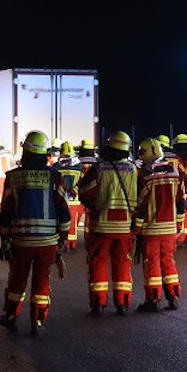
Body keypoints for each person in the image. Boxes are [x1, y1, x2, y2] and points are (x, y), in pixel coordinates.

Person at [0, 130, 71, 336]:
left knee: (17, 279)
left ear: (25, 152)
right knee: (42, 280)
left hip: (20, 241)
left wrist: (5, 240)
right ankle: (38, 321)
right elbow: (63, 211)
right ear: (44, 153)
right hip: (47, 242)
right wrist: (63, 239)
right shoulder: (54, 177)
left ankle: (11, 315)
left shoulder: (13, 177)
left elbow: (6, 212)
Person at [77, 131, 138, 315]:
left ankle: (99, 302)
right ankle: (123, 302)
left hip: (102, 225)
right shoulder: (134, 169)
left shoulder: (100, 168)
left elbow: (85, 192)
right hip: (125, 226)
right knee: (122, 263)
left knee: (98, 262)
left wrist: (93, 205)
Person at [134, 138, 185, 311]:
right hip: (170, 229)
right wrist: (179, 225)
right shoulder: (175, 172)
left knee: (152, 263)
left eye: (142, 152)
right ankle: (173, 296)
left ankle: (153, 300)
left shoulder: (146, 176)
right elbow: (181, 203)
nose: (141, 156)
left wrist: (137, 228)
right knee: (168, 262)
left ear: (151, 152)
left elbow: (141, 205)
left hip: (152, 230)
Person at [54, 141, 83, 252]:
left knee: (61, 222)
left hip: (61, 199)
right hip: (74, 200)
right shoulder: (78, 166)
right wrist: (74, 191)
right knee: (73, 223)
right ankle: (72, 244)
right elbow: (81, 181)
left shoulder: (56, 167)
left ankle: (63, 243)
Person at [0, 141, 13, 209]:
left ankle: (1, 206)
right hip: (9, 175)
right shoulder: (9, 154)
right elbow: (13, 164)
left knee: (0, 191)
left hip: (0, 175)